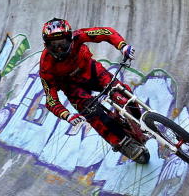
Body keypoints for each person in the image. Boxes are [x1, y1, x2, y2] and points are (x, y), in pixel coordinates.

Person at [38, 18, 147, 161]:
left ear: (70, 39)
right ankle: (120, 142)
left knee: (122, 93)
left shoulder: (78, 36)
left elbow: (106, 32)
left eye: (62, 44)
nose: (59, 49)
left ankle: (140, 119)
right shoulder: (46, 66)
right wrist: (67, 115)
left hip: (91, 72)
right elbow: (51, 99)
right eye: (54, 46)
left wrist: (123, 46)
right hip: (72, 88)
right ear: (46, 45)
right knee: (95, 115)